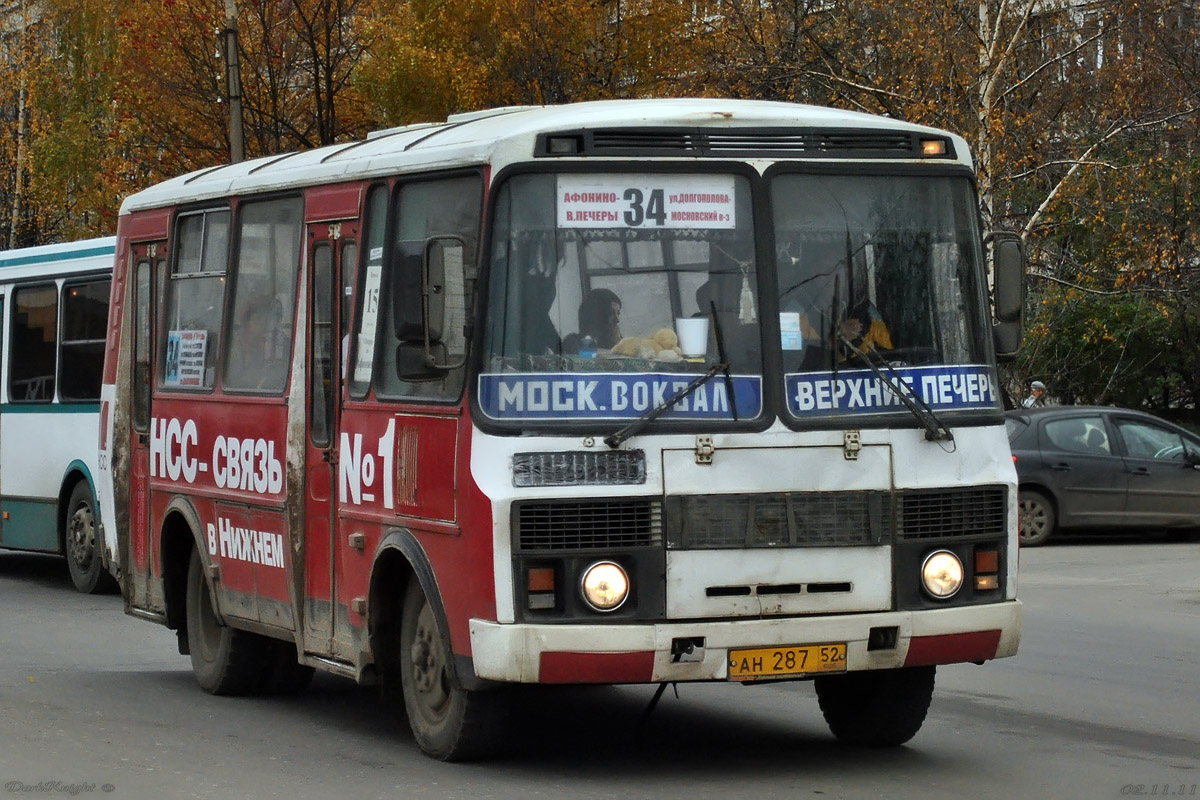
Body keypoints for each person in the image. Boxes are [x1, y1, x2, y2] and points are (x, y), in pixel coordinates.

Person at [564, 288, 622, 353]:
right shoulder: (573, 343)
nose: (617, 320)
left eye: (618, 313)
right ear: (596, 315)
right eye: (610, 313)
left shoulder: (619, 343)